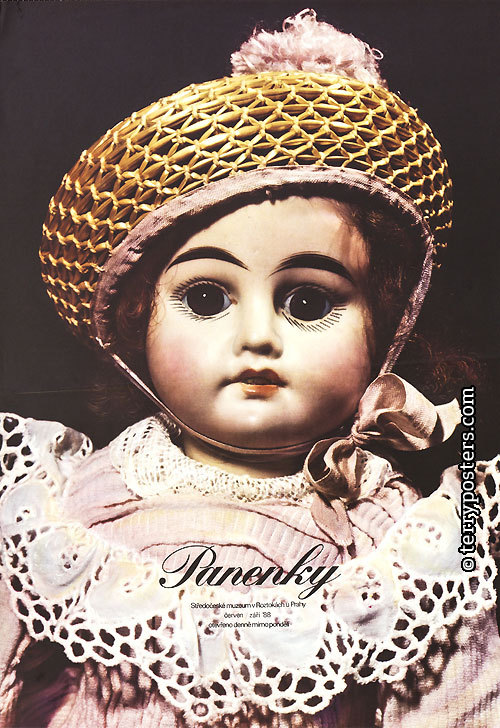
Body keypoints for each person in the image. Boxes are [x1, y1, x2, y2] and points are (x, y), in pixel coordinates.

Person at [1, 9, 499, 727]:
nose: (259, 337)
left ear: (387, 328)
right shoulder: (67, 503)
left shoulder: (398, 537)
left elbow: (457, 702)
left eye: (309, 302)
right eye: (206, 298)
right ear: (136, 324)